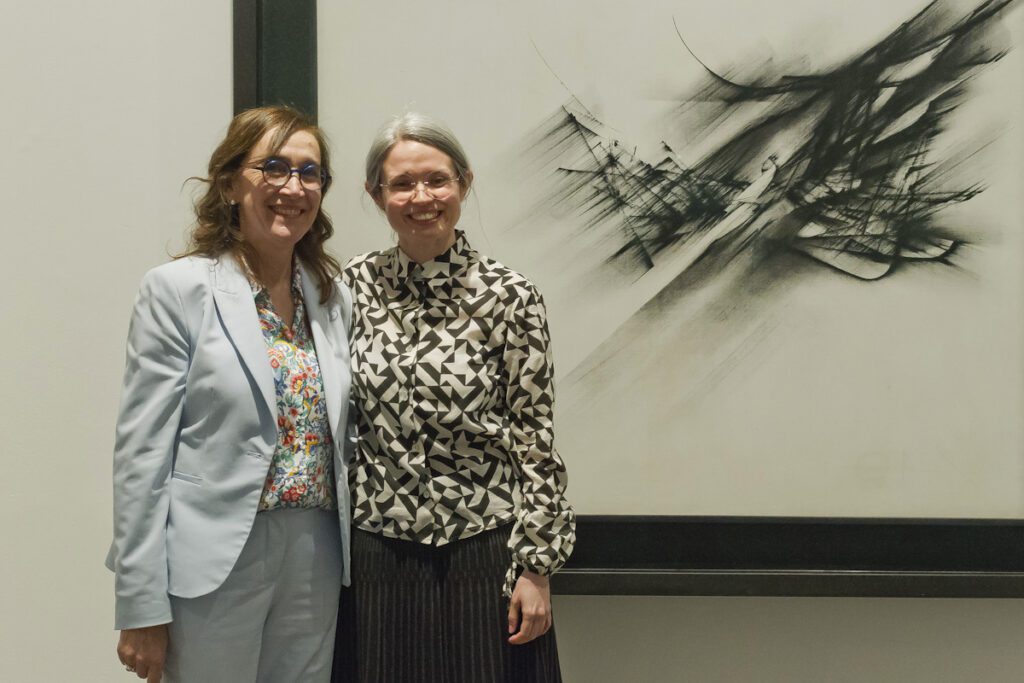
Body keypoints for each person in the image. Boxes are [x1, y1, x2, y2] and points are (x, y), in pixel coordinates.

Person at [106, 105, 354, 683]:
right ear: (229, 182)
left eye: (309, 172)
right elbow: (141, 456)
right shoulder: (178, 290)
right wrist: (141, 604)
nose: (293, 187)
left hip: (314, 552)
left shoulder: (331, 298)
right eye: (273, 167)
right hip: (213, 557)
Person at [335, 112, 576, 682]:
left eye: (437, 179)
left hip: (482, 548)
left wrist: (536, 568)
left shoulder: (509, 296)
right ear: (376, 194)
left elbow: (533, 436)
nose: (423, 196)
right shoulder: (349, 288)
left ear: (463, 183)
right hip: (378, 549)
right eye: (402, 183)